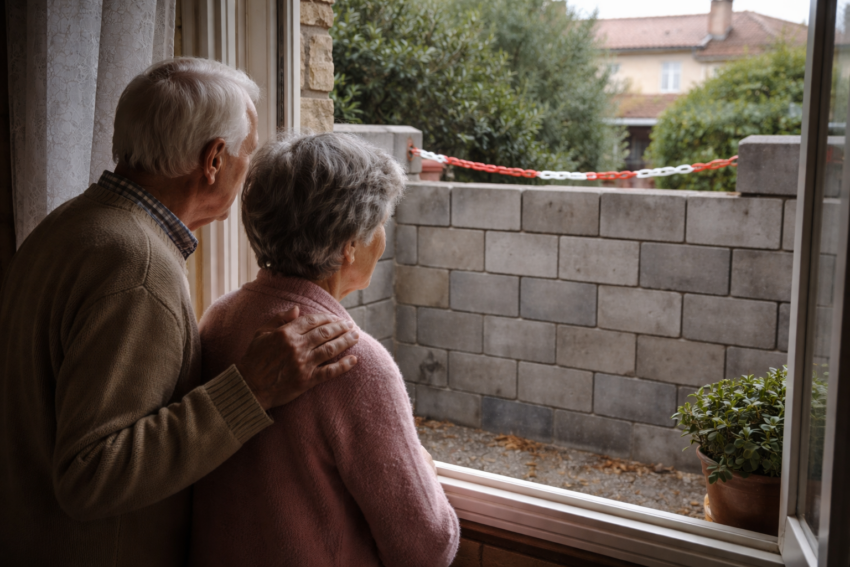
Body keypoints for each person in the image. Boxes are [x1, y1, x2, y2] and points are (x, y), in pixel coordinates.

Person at [0, 58, 360, 567]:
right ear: (214, 159)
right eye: (248, 154)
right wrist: (251, 389)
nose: (248, 171)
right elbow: (90, 475)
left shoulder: (68, 224)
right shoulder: (137, 265)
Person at [191, 132, 460, 567]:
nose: (383, 238)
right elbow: (428, 549)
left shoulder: (219, 320)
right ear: (349, 246)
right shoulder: (357, 365)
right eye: (380, 224)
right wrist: (424, 471)